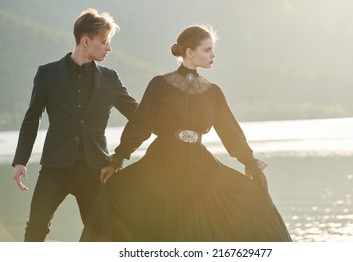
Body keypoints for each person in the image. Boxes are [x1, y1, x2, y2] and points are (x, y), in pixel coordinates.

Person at [80, 25, 292, 242]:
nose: (213, 55)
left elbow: (231, 132)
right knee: (123, 196)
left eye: (212, 50)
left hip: (200, 165)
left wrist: (250, 164)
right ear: (189, 52)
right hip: (163, 162)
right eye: (207, 50)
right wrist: (117, 159)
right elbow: (140, 125)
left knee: (248, 199)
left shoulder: (213, 92)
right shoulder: (159, 85)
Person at [11, 8, 138, 242]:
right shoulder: (47, 74)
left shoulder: (110, 78)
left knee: (101, 235)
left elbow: (139, 117)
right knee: (35, 229)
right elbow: (31, 119)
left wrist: (119, 157)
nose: (109, 48)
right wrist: (20, 160)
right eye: (105, 42)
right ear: (85, 40)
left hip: (94, 171)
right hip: (55, 169)